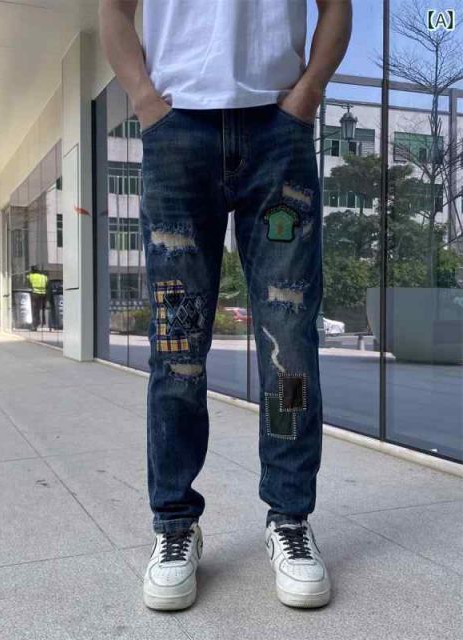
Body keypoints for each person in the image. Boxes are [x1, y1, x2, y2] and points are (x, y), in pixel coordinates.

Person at [100, 0, 352, 611]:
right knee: (177, 349)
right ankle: (175, 524)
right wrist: (144, 99)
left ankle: (289, 517)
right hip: (177, 129)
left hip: (278, 130)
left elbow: (337, 6)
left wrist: (309, 93)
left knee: (290, 349)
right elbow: (114, 8)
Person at [27, 265, 48, 331]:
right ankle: (44, 324)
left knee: (35, 310)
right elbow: (47, 285)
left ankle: (34, 325)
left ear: (32, 270)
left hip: (35, 294)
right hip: (43, 294)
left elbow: (27, 282)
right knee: (43, 309)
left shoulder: (30, 276)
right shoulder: (44, 277)